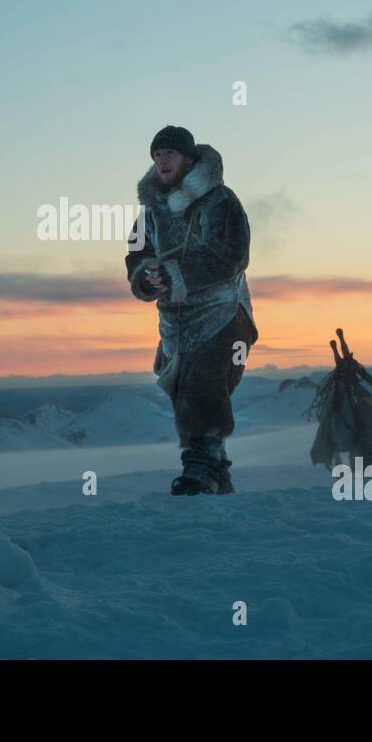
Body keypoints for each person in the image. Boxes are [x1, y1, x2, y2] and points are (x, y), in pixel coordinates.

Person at [126, 126, 258, 494]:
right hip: (175, 321)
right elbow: (136, 253)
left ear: (188, 158)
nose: (161, 161)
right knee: (183, 391)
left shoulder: (220, 201)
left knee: (204, 386)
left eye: (168, 153)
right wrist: (145, 278)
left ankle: (199, 470)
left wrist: (173, 274)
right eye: (156, 155)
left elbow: (232, 256)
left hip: (223, 315)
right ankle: (217, 474)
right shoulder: (150, 213)